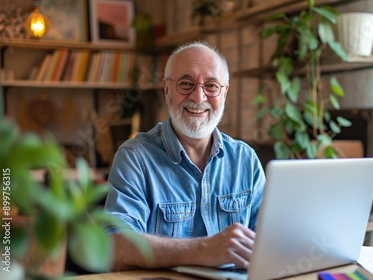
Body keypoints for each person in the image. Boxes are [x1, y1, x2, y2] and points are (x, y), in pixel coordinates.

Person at [103, 41, 266, 271]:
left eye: (211, 86)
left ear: (225, 92)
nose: (198, 97)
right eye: (186, 84)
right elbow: (114, 245)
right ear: (167, 89)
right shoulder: (135, 158)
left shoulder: (245, 159)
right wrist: (204, 249)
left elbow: (269, 241)